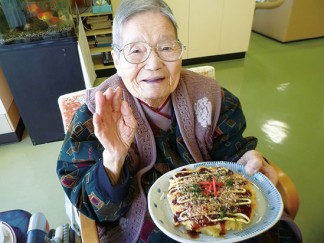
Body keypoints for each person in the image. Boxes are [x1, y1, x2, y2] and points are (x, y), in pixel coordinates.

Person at [57, 0, 301, 242]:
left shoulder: (214, 99)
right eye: (136, 50)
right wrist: (113, 159)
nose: (154, 64)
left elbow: (233, 157)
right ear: (117, 59)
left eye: (166, 48)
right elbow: (93, 208)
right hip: (140, 225)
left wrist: (248, 162)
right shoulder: (94, 117)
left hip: (216, 215)